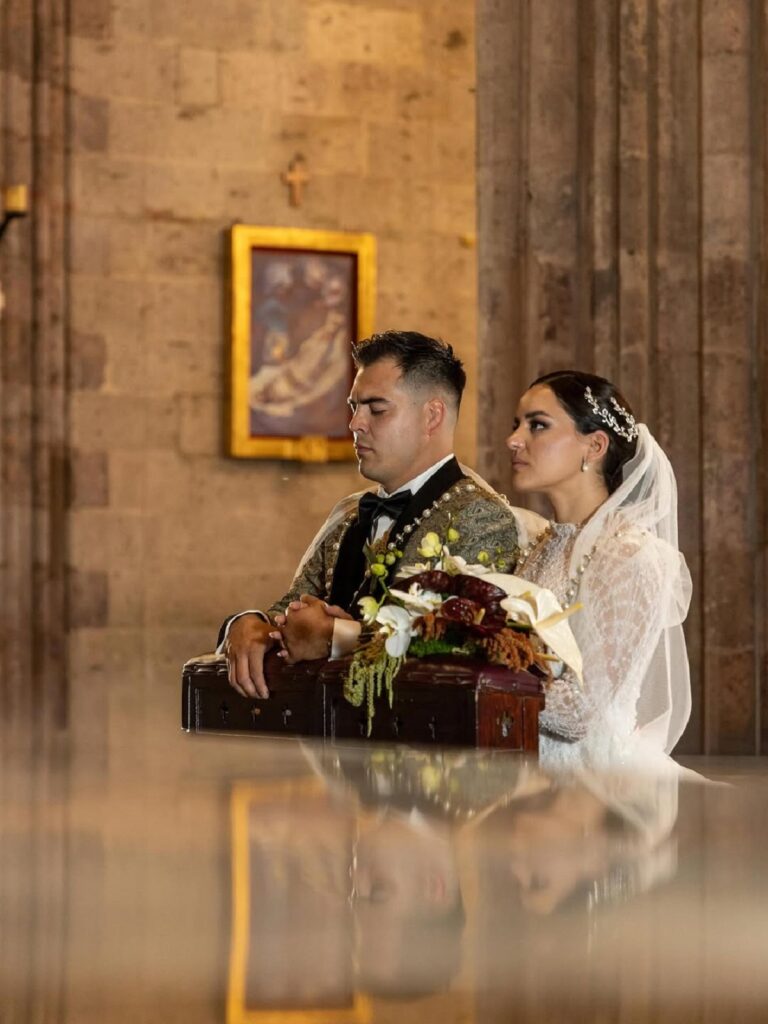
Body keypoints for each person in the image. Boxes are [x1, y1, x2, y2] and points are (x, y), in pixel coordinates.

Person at [222, 331, 521, 699]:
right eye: (354, 408)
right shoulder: (349, 514)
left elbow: (462, 644)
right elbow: (294, 611)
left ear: (432, 416)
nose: (355, 424)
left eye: (376, 409)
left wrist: (337, 638)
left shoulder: (481, 517)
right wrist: (249, 623)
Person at [505, 370, 692, 770]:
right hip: (523, 773)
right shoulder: (542, 545)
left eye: (537, 425)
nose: (514, 439)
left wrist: (482, 665)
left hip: (591, 789)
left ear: (594, 446)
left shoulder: (630, 555)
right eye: (517, 424)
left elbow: (582, 711)